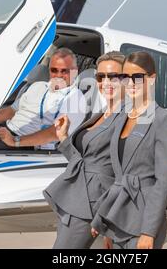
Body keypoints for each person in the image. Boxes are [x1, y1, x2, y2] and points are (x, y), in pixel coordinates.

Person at [91, 51, 167, 249]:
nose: (130, 83)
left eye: (137, 77)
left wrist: (148, 232)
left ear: (152, 79)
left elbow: (163, 182)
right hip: (118, 220)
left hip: (142, 222)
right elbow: (115, 176)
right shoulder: (121, 118)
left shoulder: (164, 119)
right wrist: (107, 224)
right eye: (125, 77)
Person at [43, 51, 126, 249]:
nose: (106, 82)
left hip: (92, 205)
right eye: (101, 76)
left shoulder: (128, 117)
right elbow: (84, 161)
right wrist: (63, 138)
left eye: (113, 76)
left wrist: (107, 217)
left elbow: (124, 171)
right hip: (75, 199)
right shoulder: (101, 114)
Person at [0, 48, 86, 150]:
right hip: (7, 130)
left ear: (74, 72)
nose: (58, 75)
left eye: (64, 71)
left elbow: (55, 133)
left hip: (26, 145)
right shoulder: (37, 86)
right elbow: (11, 111)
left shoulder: (75, 98)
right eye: (54, 70)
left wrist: (15, 141)